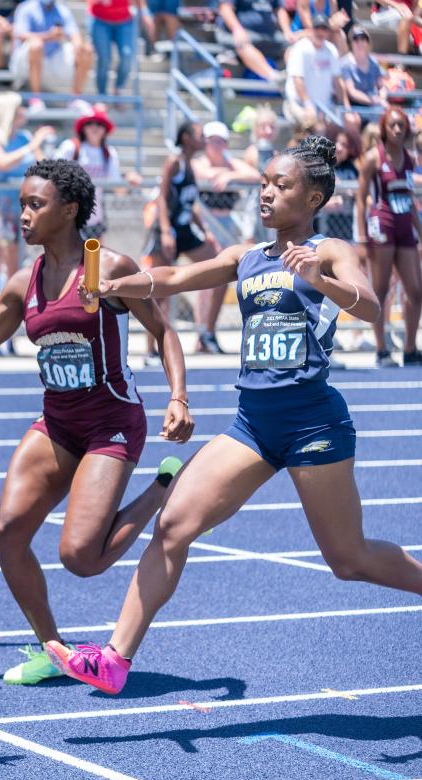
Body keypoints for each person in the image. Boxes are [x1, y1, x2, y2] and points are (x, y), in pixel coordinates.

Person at [46, 136, 422, 694]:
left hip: (313, 423)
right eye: (264, 183)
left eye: (281, 185)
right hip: (253, 424)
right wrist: (118, 284)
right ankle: (114, 659)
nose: (266, 193)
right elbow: (172, 277)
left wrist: (321, 279)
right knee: (173, 525)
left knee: (349, 559)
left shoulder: (328, 251)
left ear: (315, 196)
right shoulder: (246, 258)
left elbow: (369, 306)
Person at [0, 158, 192, 685]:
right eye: (21, 203)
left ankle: (164, 484)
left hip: (111, 422)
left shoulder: (108, 267)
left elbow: (163, 331)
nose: (22, 214)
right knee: (7, 532)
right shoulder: (26, 281)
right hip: (57, 424)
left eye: (34, 204)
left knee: (81, 559)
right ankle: (54, 649)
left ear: (68, 210)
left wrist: (178, 396)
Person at [142, 122, 217, 364]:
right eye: (200, 135)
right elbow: (162, 199)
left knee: (221, 269)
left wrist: (205, 230)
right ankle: (151, 350)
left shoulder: (191, 165)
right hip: (168, 229)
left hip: (185, 230)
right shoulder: (174, 162)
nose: (204, 139)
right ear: (186, 137)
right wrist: (165, 231)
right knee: (160, 290)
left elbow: (189, 202)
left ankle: (206, 335)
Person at [356, 106, 422, 367]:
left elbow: (409, 197)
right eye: (392, 125)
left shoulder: (409, 159)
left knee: (416, 291)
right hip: (381, 224)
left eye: (401, 126)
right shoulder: (373, 158)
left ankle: (409, 348)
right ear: (383, 128)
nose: (397, 130)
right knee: (380, 289)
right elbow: (361, 199)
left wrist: (420, 230)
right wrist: (362, 237)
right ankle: (382, 349)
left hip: (405, 224)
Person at [190, 120, 260, 353]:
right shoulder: (198, 162)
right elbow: (203, 173)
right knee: (204, 281)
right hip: (203, 221)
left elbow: (255, 175)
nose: (217, 146)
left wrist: (230, 177)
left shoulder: (232, 163)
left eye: (221, 141)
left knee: (221, 279)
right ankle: (201, 333)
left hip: (227, 223)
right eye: (212, 141)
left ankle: (209, 331)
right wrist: (227, 173)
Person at [0, 91, 55, 294]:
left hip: (19, 209)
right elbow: (2, 163)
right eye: (20, 106)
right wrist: (32, 145)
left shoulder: (24, 137)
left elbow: (43, 165)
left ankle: (12, 314)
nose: (24, 111)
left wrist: (38, 148)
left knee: (14, 266)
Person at [55, 106, 141, 242]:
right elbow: (52, 175)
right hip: (69, 219)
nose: (94, 127)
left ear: (105, 129)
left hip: (94, 219)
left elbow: (118, 189)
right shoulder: (71, 147)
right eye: (90, 123)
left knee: (94, 262)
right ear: (83, 127)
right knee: (69, 262)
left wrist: (128, 179)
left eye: (99, 124)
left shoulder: (108, 153)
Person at [10, 0, 94, 106]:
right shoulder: (26, 7)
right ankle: (35, 99)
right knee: (36, 45)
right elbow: (20, 34)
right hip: (25, 60)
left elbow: (74, 34)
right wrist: (48, 36)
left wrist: (77, 44)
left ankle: (75, 99)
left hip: (53, 58)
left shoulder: (62, 10)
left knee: (86, 49)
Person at [284, 14, 352, 129]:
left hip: (324, 107)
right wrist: (308, 104)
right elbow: (298, 80)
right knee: (313, 126)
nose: (320, 32)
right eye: (317, 28)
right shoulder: (300, 48)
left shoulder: (331, 49)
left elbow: (338, 80)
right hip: (299, 105)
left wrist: (346, 107)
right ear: (311, 30)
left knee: (343, 126)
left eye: (324, 28)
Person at [215, 0, 290, 85]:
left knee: (292, 46)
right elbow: (225, 8)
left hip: (269, 35)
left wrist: (287, 31)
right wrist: (237, 29)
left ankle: (293, 77)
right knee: (242, 43)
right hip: (238, 33)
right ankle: (274, 77)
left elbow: (280, 10)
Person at [88, 0, 136, 98]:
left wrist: (144, 11)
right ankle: (102, 95)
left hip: (124, 21)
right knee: (104, 59)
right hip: (100, 21)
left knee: (127, 57)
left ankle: (118, 90)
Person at [341, 26, 386, 109]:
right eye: (356, 39)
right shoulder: (346, 64)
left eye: (363, 39)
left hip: (375, 103)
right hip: (355, 107)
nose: (360, 42)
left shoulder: (373, 62)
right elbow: (352, 92)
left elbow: (381, 86)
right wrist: (373, 101)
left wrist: (382, 98)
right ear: (351, 43)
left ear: (367, 42)